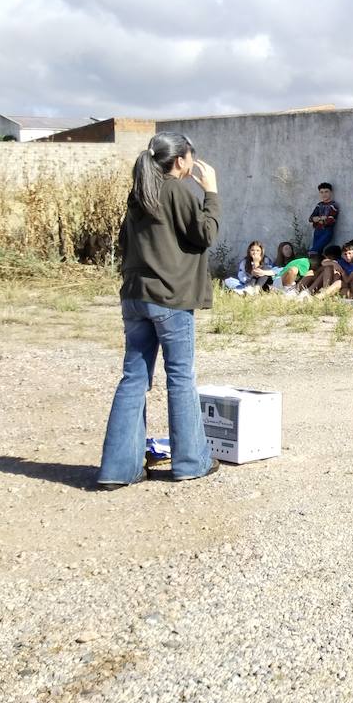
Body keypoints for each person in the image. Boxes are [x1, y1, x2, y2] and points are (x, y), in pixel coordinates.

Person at [96, 133, 220, 488]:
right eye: (191, 156)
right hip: (169, 298)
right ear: (180, 160)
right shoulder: (176, 189)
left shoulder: (138, 194)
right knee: (180, 377)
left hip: (135, 296)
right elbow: (205, 234)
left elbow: (124, 242)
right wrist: (211, 193)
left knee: (133, 378)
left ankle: (118, 470)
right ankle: (191, 462)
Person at [308, 182, 339, 260]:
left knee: (313, 251)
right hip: (317, 231)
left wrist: (318, 219)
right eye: (321, 192)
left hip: (326, 231)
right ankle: (319, 266)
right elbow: (311, 218)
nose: (324, 194)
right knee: (317, 253)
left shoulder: (333, 205)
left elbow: (330, 220)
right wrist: (321, 218)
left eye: (326, 192)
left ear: (331, 192)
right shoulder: (319, 205)